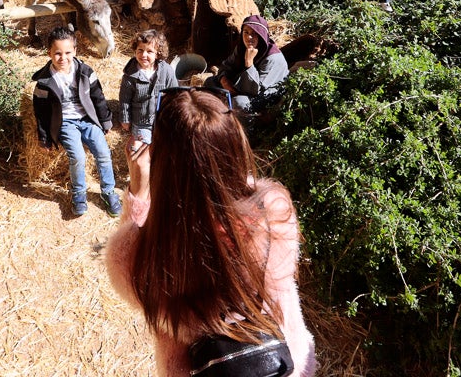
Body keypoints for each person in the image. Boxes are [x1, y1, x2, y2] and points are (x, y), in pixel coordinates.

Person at [105, 88, 316, 376]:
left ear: (162, 160)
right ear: (234, 145)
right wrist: (218, 174)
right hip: (285, 362)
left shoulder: (138, 253)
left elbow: (133, 279)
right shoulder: (273, 210)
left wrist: (139, 193)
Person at [31, 26, 121, 218]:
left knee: (104, 152)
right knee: (78, 157)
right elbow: (40, 112)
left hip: (87, 119)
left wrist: (105, 121)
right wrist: (44, 138)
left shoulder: (86, 72)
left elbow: (98, 97)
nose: (63, 58)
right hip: (65, 123)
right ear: (49, 53)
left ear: (75, 51)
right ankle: (79, 194)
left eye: (67, 53)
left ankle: (108, 192)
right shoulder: (44, 82)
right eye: (57, 54)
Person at [118, 30, 178, 197]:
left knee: (163, 148)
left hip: (162, 120)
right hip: (142, 121)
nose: (144, 55)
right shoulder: (130, 75)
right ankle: (140, 182)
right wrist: (125, 119)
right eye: (140, 50)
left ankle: (160, 177)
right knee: (141, 150)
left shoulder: (166, 70)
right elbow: (124, 99)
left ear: (158, 53)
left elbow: (174, 93)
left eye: (149, 51)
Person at [206, 14, 289, 115]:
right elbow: (226, 65)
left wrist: (249, 62)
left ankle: (243, 128)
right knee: (210, 82)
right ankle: (217, 116)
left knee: (240, 102)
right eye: (246, 32)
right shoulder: (241, 48)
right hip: (241, 86)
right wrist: (224, 81)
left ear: (261, 35)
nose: (249, 37)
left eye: (254, 33)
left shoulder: (273, 58)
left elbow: (256, 91)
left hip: (265, 96)